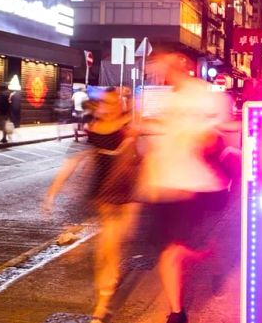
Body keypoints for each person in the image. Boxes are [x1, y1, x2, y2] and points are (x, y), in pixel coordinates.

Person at [137, 53, 233, 323]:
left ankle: (209, 256)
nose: (162, 70)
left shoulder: (207, 96)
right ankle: (176, 313)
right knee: (169, 250)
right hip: (164, 183)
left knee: (186, 246)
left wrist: (203, 137)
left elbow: (218, 136)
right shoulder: (161, 99)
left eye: (166, 63)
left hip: (197, 185)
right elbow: (148, 144)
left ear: (184, 65)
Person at [44, 88, 140, 323]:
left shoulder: (129, 126)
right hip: (103, 197)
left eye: (111, 102)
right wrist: (52, 192)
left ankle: (105, 296)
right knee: (105, 251)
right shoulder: (94, 130)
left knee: (113, 247)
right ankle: (102, 304)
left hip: (126, 197)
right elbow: (72, 162)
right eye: (103, 103)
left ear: (118, 105)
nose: (106, 107)